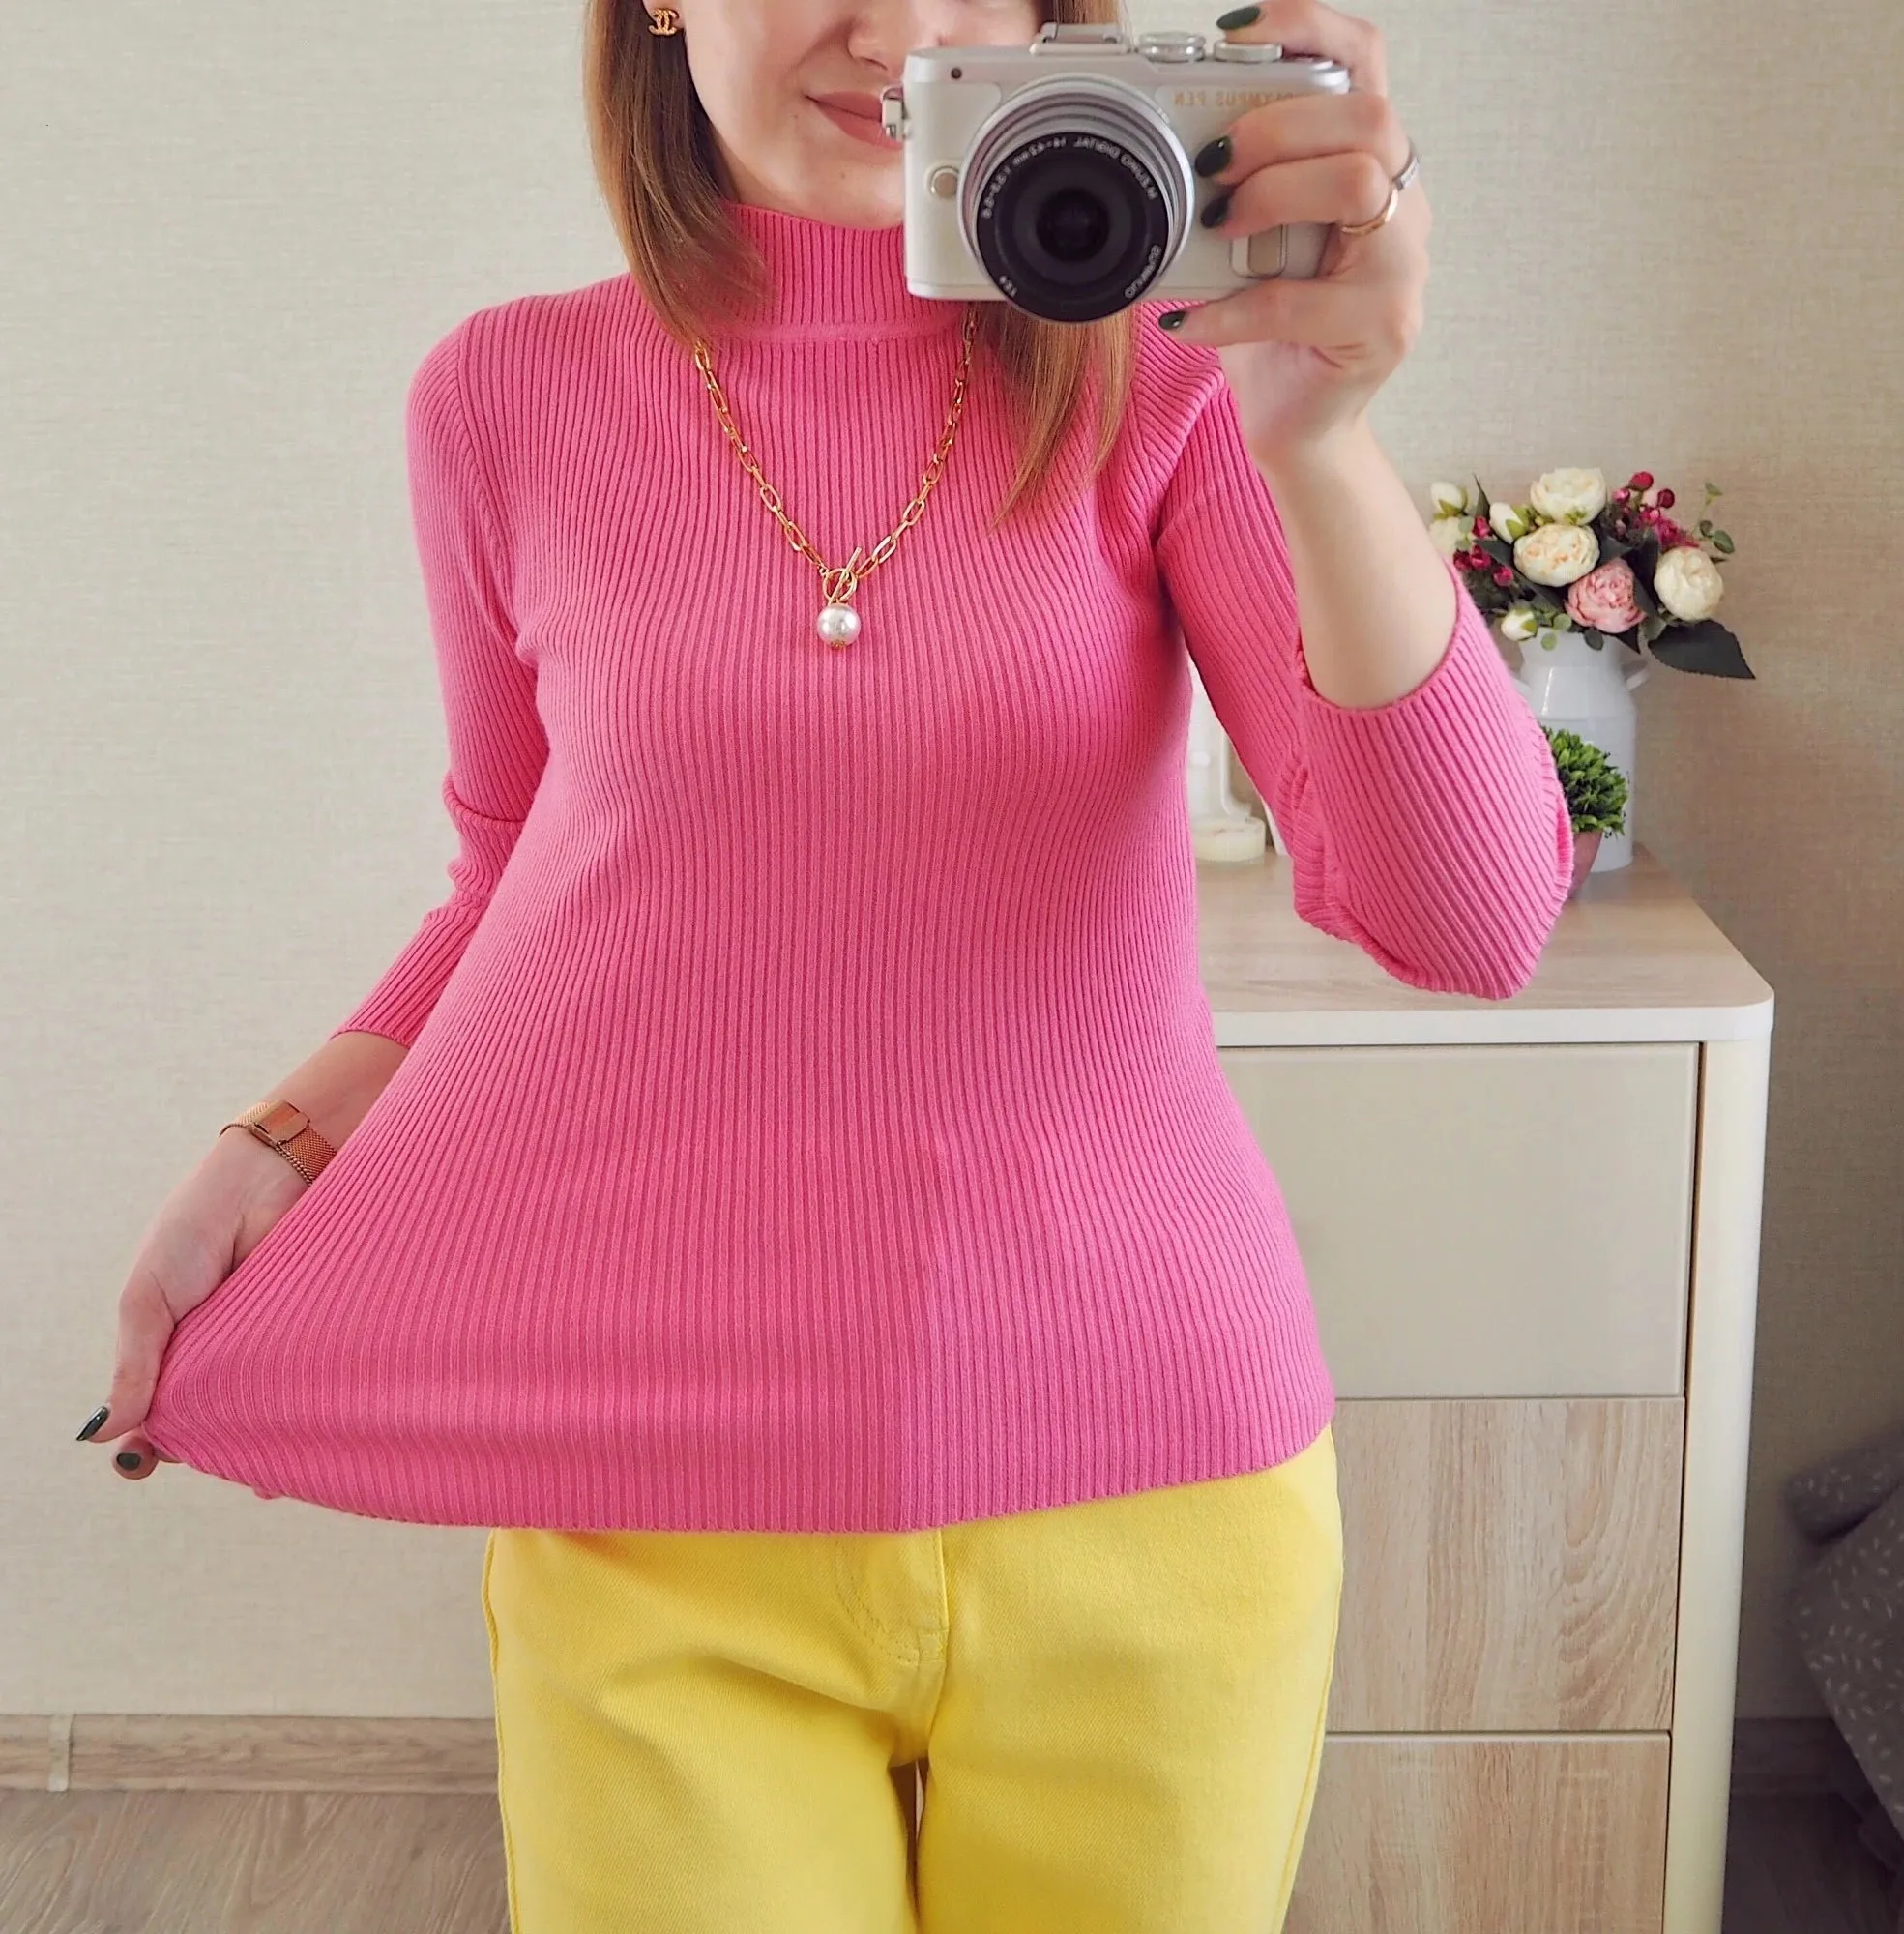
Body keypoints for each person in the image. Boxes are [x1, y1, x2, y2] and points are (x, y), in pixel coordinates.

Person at [79, 1, 1574, 1928]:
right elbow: (517, 877)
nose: (897, 30)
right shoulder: (504, 394)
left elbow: (1467, 918)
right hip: (651, 1490)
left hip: (1151, 1484)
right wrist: (280, 1140)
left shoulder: (1175, 383)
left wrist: (1330, 443)